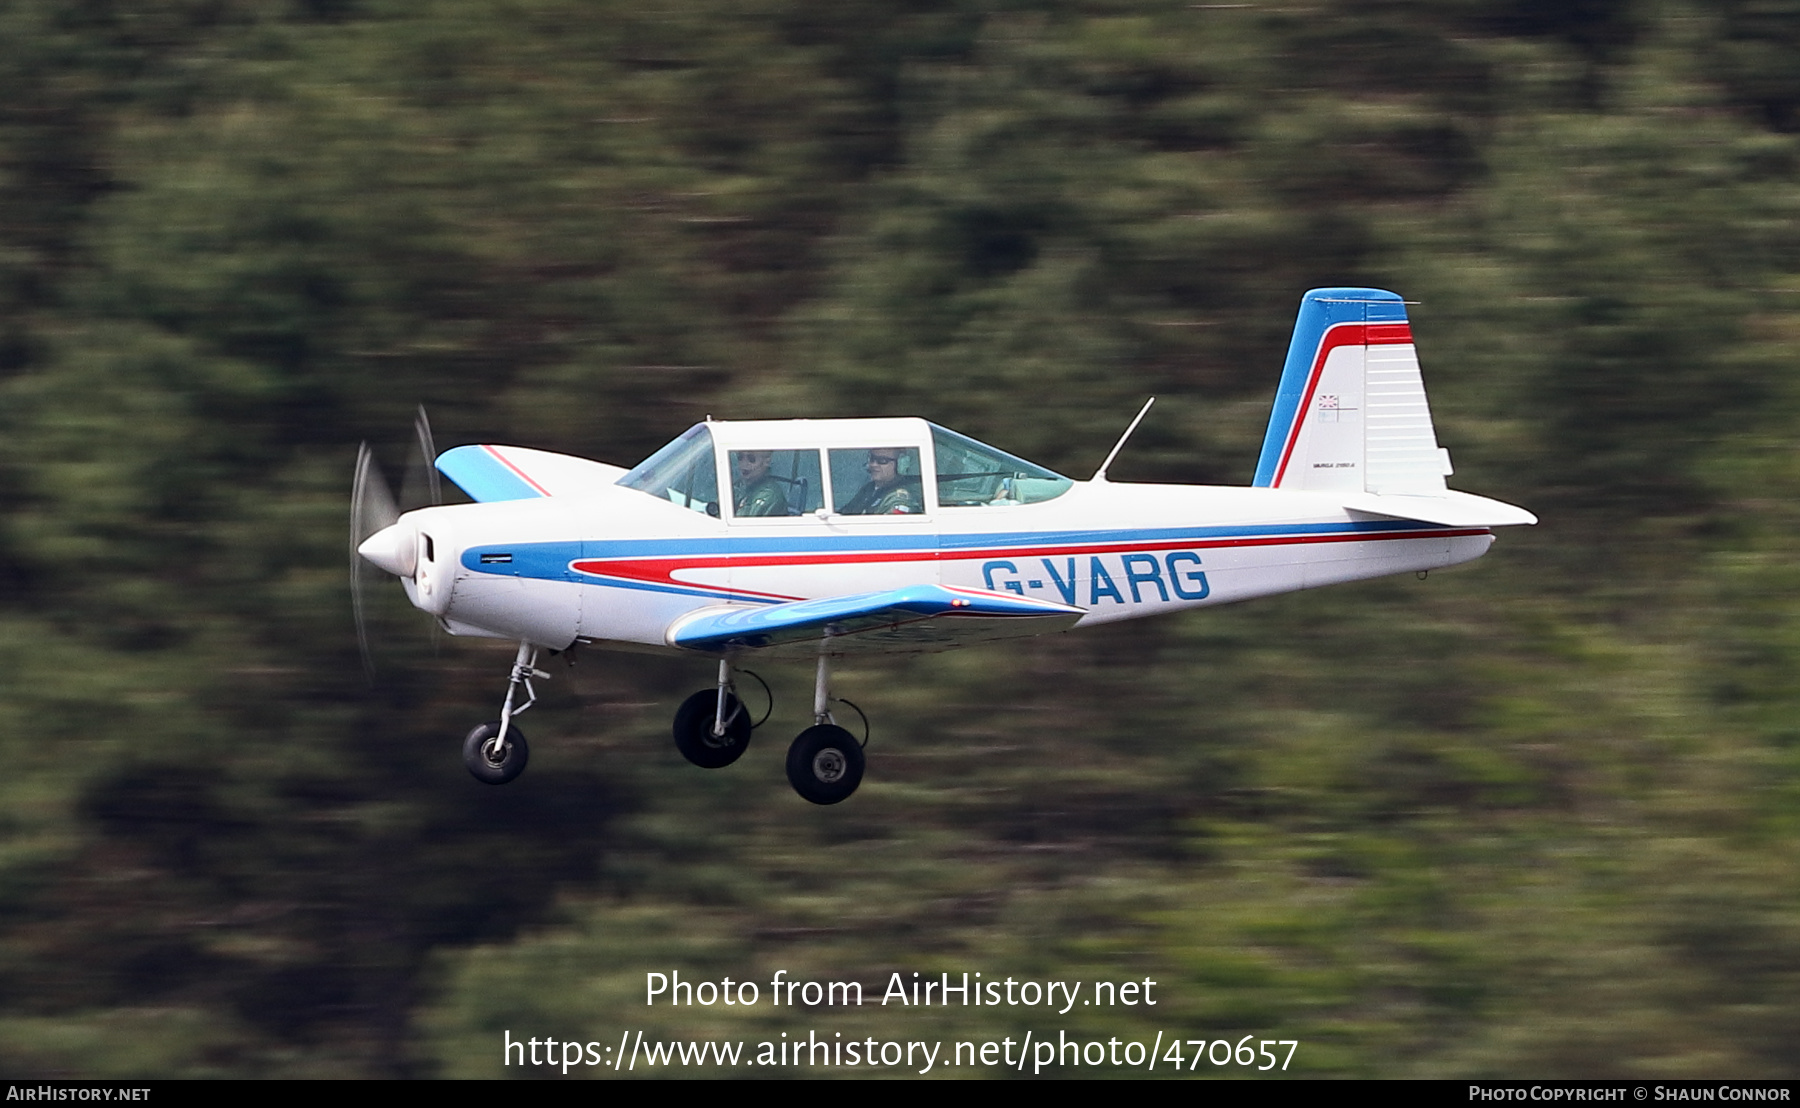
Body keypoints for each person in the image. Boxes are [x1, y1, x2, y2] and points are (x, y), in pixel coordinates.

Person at [841, 449, 919, 515]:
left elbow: (888, 529)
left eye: (882, 460)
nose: (873, 464)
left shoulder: (899, 500)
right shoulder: (868, 489)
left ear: (900, 464)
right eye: (872, 459)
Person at [733, 451, 791, 516]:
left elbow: (747, 524)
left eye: (751, 459)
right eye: (740, 457)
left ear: (767, 462)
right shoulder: (739, 486)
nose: (744, 464)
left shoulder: (770, 496)